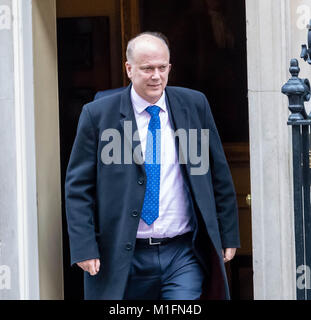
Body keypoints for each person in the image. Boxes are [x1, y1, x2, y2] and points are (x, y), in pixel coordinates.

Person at [65, 31, 240, 300]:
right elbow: (79, 188)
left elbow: (218, 174)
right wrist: (83, 246)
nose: (156, 76)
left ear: (170, 67)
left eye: (162, 67)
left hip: (183, 253)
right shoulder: (98, 115)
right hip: (122, 255)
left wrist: (228, 234)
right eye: (147, 68)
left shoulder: (194, 105)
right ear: (129, 69)